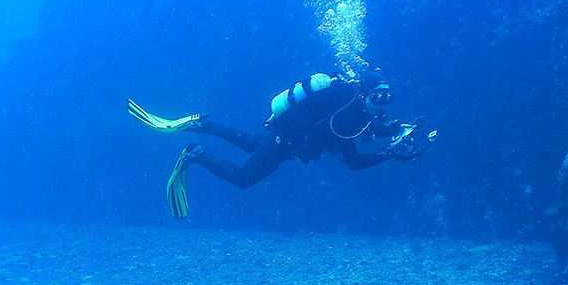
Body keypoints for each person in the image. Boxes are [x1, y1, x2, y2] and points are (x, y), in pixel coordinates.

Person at [128, 69, 428, 218]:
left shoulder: (353, 108)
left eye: (388, 99)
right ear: (365, 94)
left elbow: (370, 126)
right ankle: (195, 153)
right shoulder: (348, 112)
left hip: (286, 135)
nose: (382, 105)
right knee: (243, 178)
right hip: (288, 138)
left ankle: (203, 124)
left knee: (249, 143)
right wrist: (391, 153)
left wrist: (395, 130)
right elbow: (353, 162)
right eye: (378, 98)